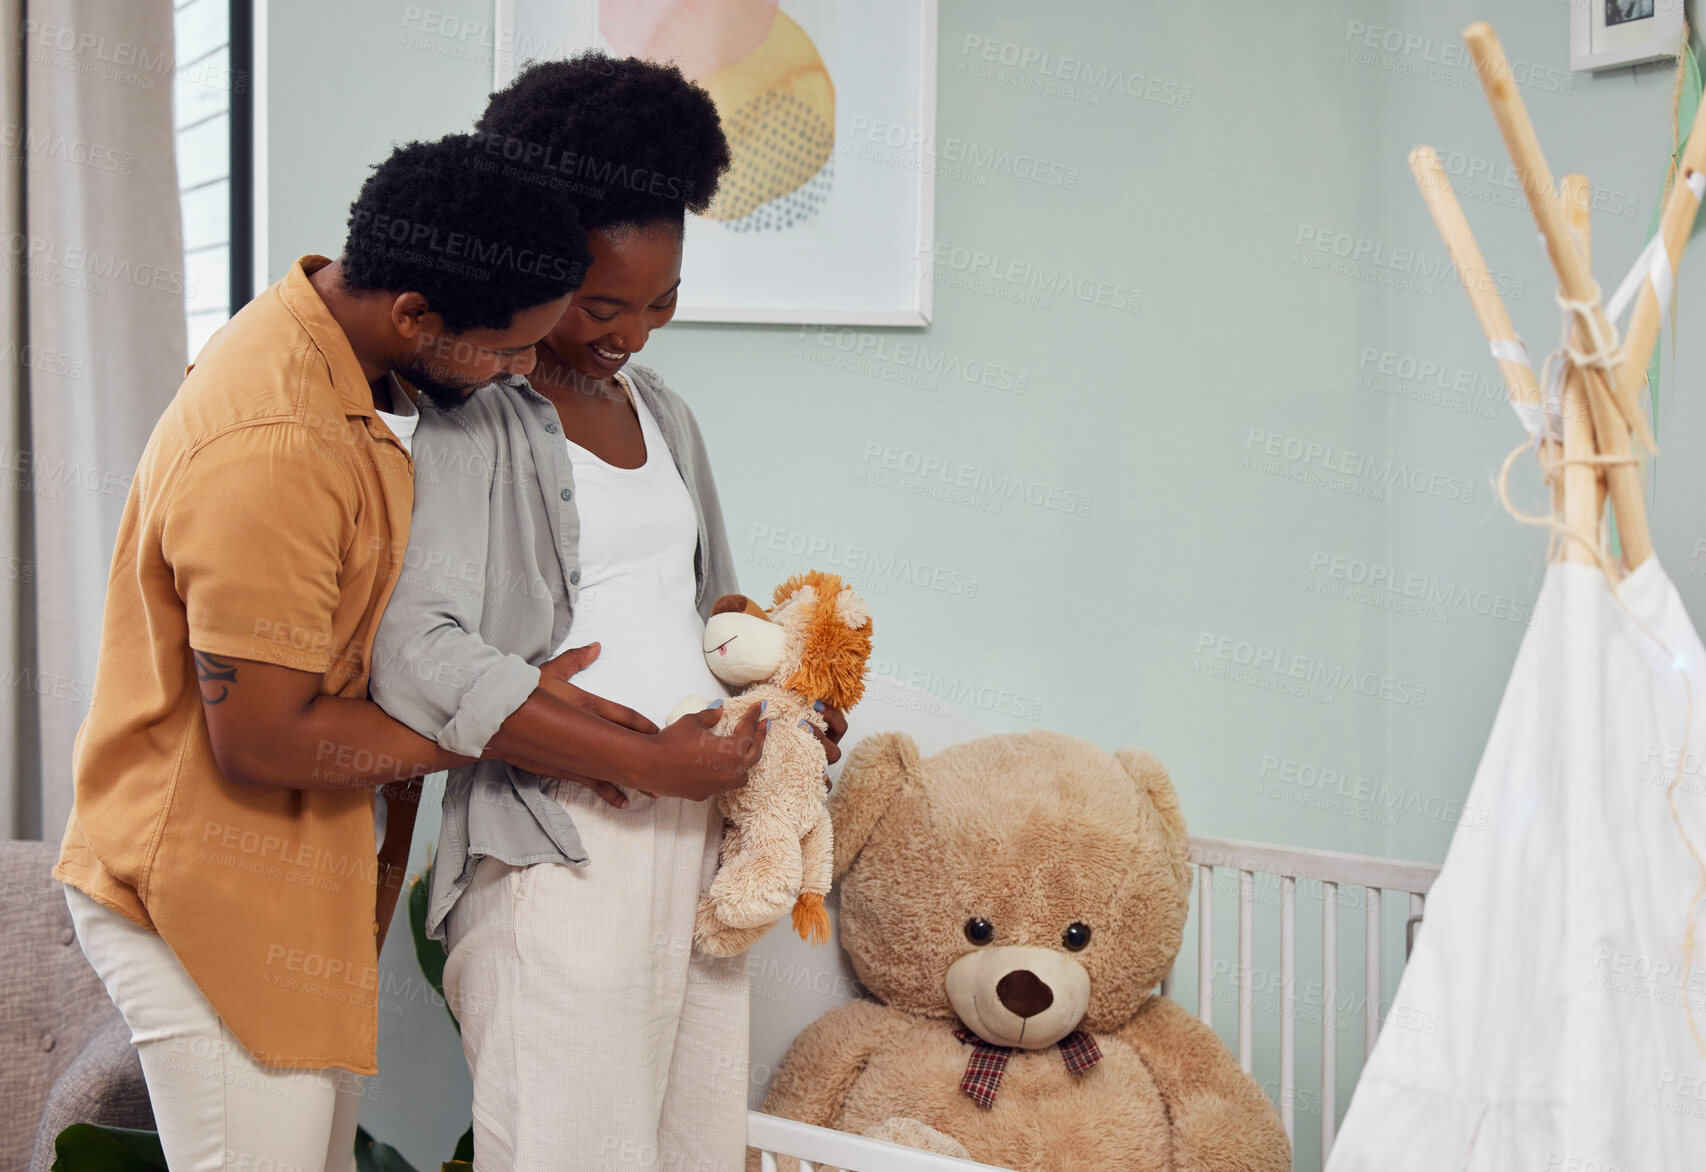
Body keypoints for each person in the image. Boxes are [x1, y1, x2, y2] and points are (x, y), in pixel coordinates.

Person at [52, 133, 604, 1171]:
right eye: (506, 347)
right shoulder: (277, 441)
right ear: (413, 316)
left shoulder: (332, 343)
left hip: (288, 878)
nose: (523, 371)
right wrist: (498, 720)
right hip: (204, 887)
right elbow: (262, 737)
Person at [370, 54, 844, 1172]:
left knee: (690, 1153)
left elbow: (713, 612)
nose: (631, 332)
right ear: (539, 262)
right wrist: (642, 757)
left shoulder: (662, 411)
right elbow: (413, 647)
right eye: (601, 303)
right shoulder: (474, 419)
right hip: (558, 849)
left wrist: (783, 709)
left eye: (660, 301)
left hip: (697, 849)